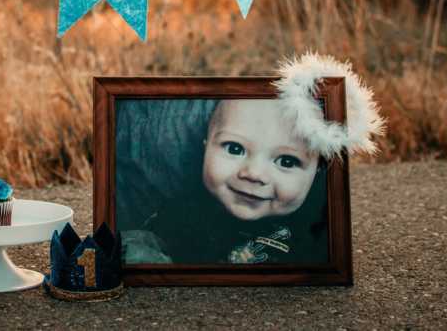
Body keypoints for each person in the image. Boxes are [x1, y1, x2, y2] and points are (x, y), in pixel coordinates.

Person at [125, 98, 329, 265]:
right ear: (205, 148)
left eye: (286, 161)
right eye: (234, 149)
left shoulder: (324, 231)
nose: (254, 174)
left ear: (318, 170)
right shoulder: (179, 215)